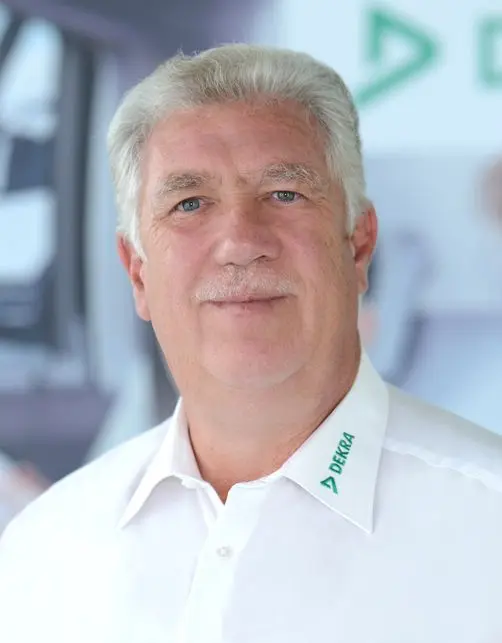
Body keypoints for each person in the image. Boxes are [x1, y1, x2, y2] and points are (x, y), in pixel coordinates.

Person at [0, 44, 501, 643]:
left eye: (284, 193)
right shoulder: (42, 553)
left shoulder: (488, 523)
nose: (239, 241)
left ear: (358, 246)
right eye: (189, 204)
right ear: (138, 274)